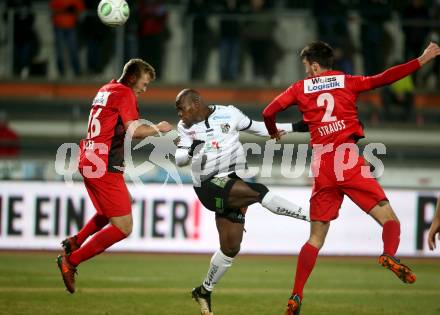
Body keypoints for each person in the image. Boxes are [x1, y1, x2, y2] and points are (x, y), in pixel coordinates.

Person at [262, 41, 440, 315]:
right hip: (347, 159)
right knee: (389, 220)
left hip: (322, 165)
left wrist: (274, 131)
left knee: (315, 239)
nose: (307, 72)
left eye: (307, 67)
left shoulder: (299, 88)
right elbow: (385, 78)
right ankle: (389, 254)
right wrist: (421, 60)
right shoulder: (348, 81)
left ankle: (296, 295)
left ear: (314, 64)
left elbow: (268, 112)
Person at [174, 88, 309, 315]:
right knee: (258, 192)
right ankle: (311, 215)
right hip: (208, 185)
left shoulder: (229, 114)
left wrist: (295, 127)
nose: (179, 114)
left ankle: (204, 290)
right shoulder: (185, 128)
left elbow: (260, 128)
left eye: (181, 108)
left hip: (231, 180)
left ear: (196, 103)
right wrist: (190, 151)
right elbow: (179, 159)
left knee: (231, 246)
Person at [56, 59, 173, 294]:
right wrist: (160, 128)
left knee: (114, 209)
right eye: (144, 83)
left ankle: (76, 241)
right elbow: (135, 131)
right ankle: (72, 260)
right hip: (104, 163)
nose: (144, 89)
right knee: (123, 227)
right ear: (132, 79)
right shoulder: (124, 93)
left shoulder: (105, 90)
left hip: (89, 157)